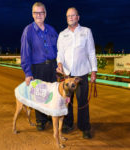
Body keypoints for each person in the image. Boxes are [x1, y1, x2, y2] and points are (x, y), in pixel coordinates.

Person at [56, 7, 97, 139]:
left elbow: (91, 52)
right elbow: (60, 53)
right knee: (67, 101)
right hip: (67, 75)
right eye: (68, 16)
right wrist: (59, 63)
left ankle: (84, 127)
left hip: (82, 74)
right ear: (66, 18)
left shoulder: (86, 31)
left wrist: (94, 71)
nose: (71, 18)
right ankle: (68, 124)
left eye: (73, 15)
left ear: (78, 17)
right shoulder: (62, 34)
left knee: (83, 102)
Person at [20, 2, 58, 131]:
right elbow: (25, 52)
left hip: (52, 66)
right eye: (36, 13)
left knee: (51, 94)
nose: (39, 15)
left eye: (41, 12)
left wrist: (59, 65)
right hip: (38, 67)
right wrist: (27, 73)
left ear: (45, 14)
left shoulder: (51, 30)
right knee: (40, 94)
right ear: (32, 14)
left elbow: (58, 49)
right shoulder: (28, 31)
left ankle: (49, 116)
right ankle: (40, 121)